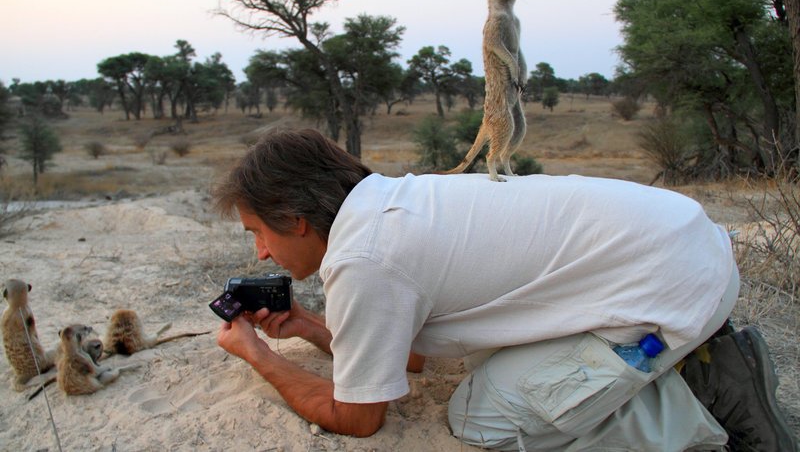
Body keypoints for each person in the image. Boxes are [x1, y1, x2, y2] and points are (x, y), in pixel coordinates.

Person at [212, 128, 796, 451]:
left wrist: (257, 354)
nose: (261, 252)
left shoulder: (364, 256)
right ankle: (673, 359)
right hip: (680, 243)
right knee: (486, 359)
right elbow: (410, 357)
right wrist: (311, 328)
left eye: (257, 232)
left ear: (294, 219)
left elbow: (361, 418)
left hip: (673, 289)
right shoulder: (388, 203)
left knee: (483, 414)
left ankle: (704, 393)